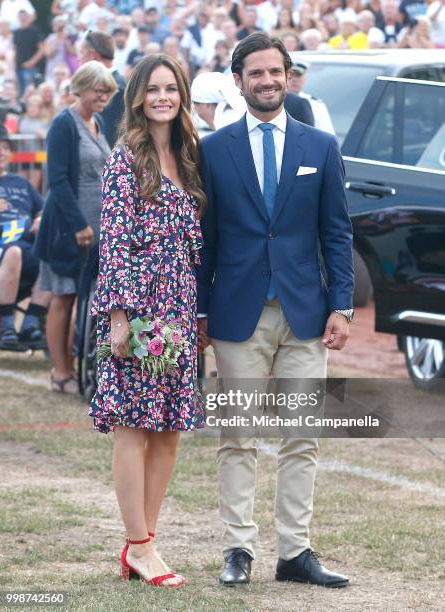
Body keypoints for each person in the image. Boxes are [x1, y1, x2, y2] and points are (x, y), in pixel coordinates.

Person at [197, 32, 354, 588]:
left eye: (276, 72)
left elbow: (336, 233)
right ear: (237, 83)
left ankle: (295, 552)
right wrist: (199, 314)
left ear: (289, 76)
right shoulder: (213, 150)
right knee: (238, 434)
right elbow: (205, 241)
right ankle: (237, 548)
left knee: (301, 434)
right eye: (256, 73)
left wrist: (343, 304)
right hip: (236, 312)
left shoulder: (320, 147)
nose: (267, 81)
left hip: (306, 313)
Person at [89, 54, 205, 587]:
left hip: (177, 307)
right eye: (153, 88)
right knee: (133, 428)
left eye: (172, 88)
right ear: (137, 97)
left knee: (169, 431)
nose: (163, 96)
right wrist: (117, 318)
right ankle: (137, 544)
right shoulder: (125, 158)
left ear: (182, 94)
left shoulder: (188, 154)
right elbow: (114, 241)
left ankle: (146, 544)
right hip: (135, 308)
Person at [35, 61, 117, 394]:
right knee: (63, 297)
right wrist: (79, 225)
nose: (105, 96)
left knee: (83, 299)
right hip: (67, 227)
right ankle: (60, 372)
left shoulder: (96, 121)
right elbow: (57, 180)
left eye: (108, 91)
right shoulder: (63, 125)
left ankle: (75, 366)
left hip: (96, 227)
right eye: (99, 90)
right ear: (80, 88)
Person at [0, 123, 49, 351]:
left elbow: (43, 209)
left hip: (27, 246)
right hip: (3, 249)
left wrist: (40, 219)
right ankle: (7, 325)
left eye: (5, 147)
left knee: (54, 255)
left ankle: (31, 323)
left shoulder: (22, 183)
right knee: (14, 252)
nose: (1, 152)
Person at [79, 30, 126, 149]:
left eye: (81, 53)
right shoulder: (115, 83)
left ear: (93, 55)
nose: (79, 59)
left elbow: (110, 137)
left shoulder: (114, 88)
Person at [287, 59, 335, 134]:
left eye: (298, 75)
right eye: (291, 75)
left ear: (305, 77)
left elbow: (327, 136)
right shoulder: (273, 101)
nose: (294, 79)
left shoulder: (316, 104)